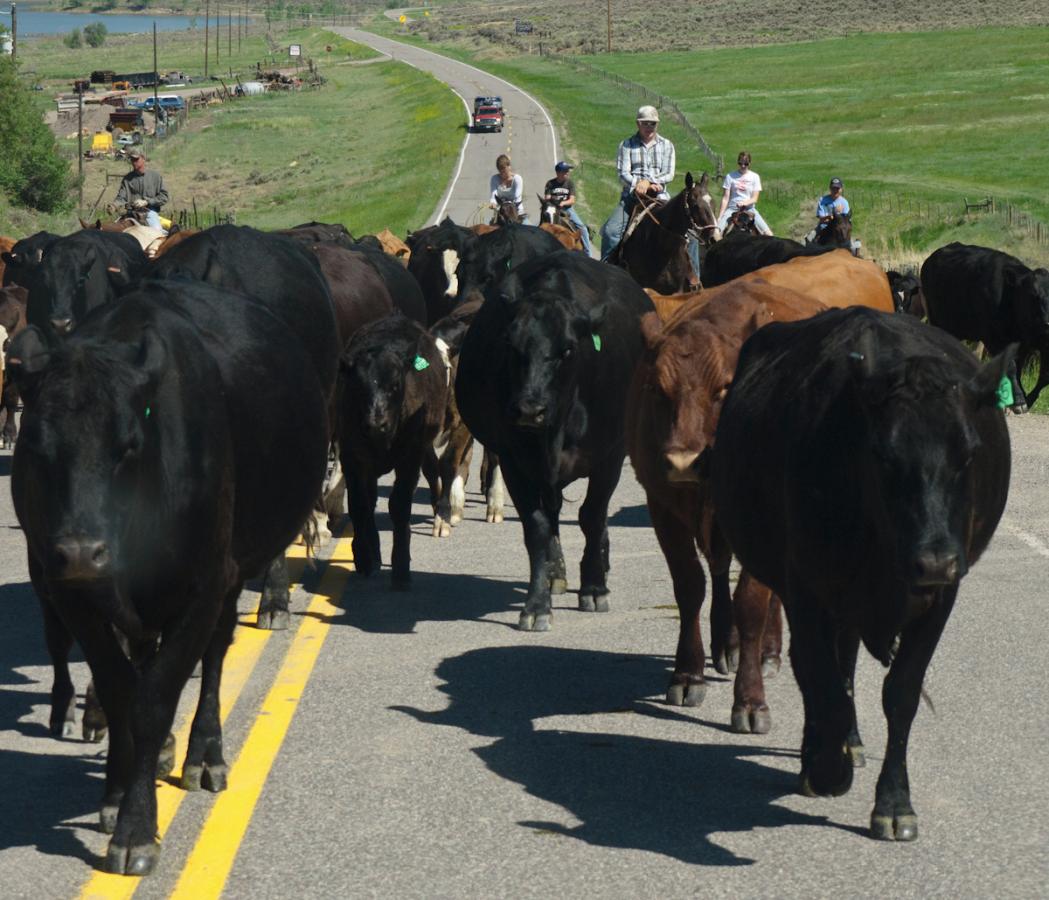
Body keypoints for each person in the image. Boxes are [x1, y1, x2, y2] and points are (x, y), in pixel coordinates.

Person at [717, 151, 772, 236]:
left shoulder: (755, 177)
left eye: (745, 164)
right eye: (740, 163)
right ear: (738, 163)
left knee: (769, 234)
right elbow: (725, 198)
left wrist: (744, 203)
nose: (743, 166)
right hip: (732, 208)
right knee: (716, 233)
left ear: (749, 163)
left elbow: (755, 198)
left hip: (749, 209)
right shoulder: (730, 176)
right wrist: (720, 216)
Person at [543, 161, 592, 256]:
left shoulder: (570, 183)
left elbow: (572, 200)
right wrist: (555, 202)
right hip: (553, 209)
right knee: (542, 227)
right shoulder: (550, 183)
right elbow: (547, 198)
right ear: (558, 173)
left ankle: (587, 253)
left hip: (567, 210)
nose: (568, 173)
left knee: (583, 228)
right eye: (565, 171)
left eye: (568, 171)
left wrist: (563, 203)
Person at [489, 154, 529, 224]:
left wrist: (507, 205)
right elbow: (493, 196)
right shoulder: (494, 179)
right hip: (501, 213)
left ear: (509, 167)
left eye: (504, 171)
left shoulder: (517, 179)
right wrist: (493, 203)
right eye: (500, 171)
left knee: (529, 228)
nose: (503, 174)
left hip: (516, 212)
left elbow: (517, 199)